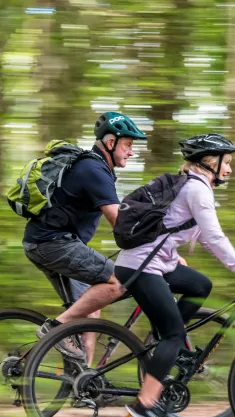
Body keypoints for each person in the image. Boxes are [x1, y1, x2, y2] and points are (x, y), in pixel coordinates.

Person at [114, 133, 235, 417]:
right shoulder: (198, 190)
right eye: (227, 163)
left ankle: (163, 338)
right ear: (211, 162)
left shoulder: (194, 187)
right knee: (174, 335)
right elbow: (214, 236)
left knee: (200, 285)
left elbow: (206, 239)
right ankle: (145, 404)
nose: (229, 170)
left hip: (157, 264)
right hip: (142, 268)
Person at [23, 112, 147, 365]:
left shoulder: (96, 168)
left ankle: (83, 380)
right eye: (128, 145)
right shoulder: (93, 169)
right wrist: (156, 248)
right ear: (110, 143)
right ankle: (56, 328)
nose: (131, 152)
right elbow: (119, 222)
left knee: (92, 306)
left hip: (49, 243)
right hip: (54, 243)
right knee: (119, 282)